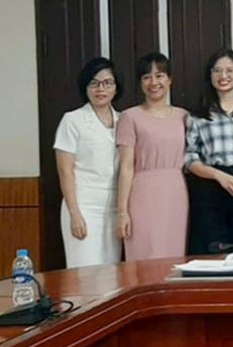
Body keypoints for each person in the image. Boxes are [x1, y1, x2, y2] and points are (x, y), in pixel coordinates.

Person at [185, 49, 233, 255]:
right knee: (213, 253)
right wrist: (219, 176)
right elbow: (190, 158)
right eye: (217, 70)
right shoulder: (198, 114)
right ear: (210, 75)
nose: (223, 76)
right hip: (210, 186)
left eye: (229, 70)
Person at [115, 53, 188, 261]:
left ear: (170, 79)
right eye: (147, 77)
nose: (153, 82)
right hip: (143, 193)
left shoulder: (183, 116)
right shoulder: (130, 117)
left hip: (176, 192)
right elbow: (126, 167)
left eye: (159, 75)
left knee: (174, 256)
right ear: (140, 83)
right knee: (144, 254)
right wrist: (122, 212)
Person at [53, 57, 123, 268]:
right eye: (94, 83)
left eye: (107, 83)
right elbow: (65, 171)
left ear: (116, 88)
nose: (101, 89)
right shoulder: (72, 120)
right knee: (84, 273)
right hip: (84, 205)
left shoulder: (124, 120)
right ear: (85, 87)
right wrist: (74, 213)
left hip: (115, 207)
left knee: (112, 274)